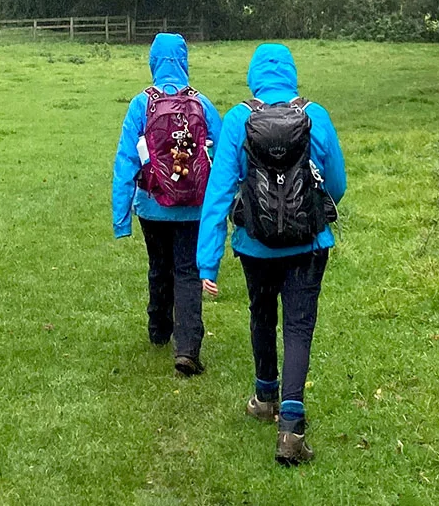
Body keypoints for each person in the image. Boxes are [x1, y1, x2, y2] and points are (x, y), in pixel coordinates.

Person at [196, 43, 346, 465]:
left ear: (254, 73)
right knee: (298, 327)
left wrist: (208, 261)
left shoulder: (238, 119)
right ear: (292, 72)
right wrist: (312, 208)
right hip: (309, 245)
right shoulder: (315, 115)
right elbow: (338, 182)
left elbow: (219, 193)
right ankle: (292, 430)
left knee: (262, 314)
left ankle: (265, 396)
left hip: (254, 245)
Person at [111, 33, 222, 376]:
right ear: (185, 60)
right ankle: (187, 349)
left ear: (153, 61)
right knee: (188, 271)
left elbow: (125, 161)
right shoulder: (202, 104)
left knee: (159, 265)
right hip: (193, 206)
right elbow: (223, 158)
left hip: (151, 204)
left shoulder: (140, 104)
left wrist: (121, 218)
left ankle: (159, 330)